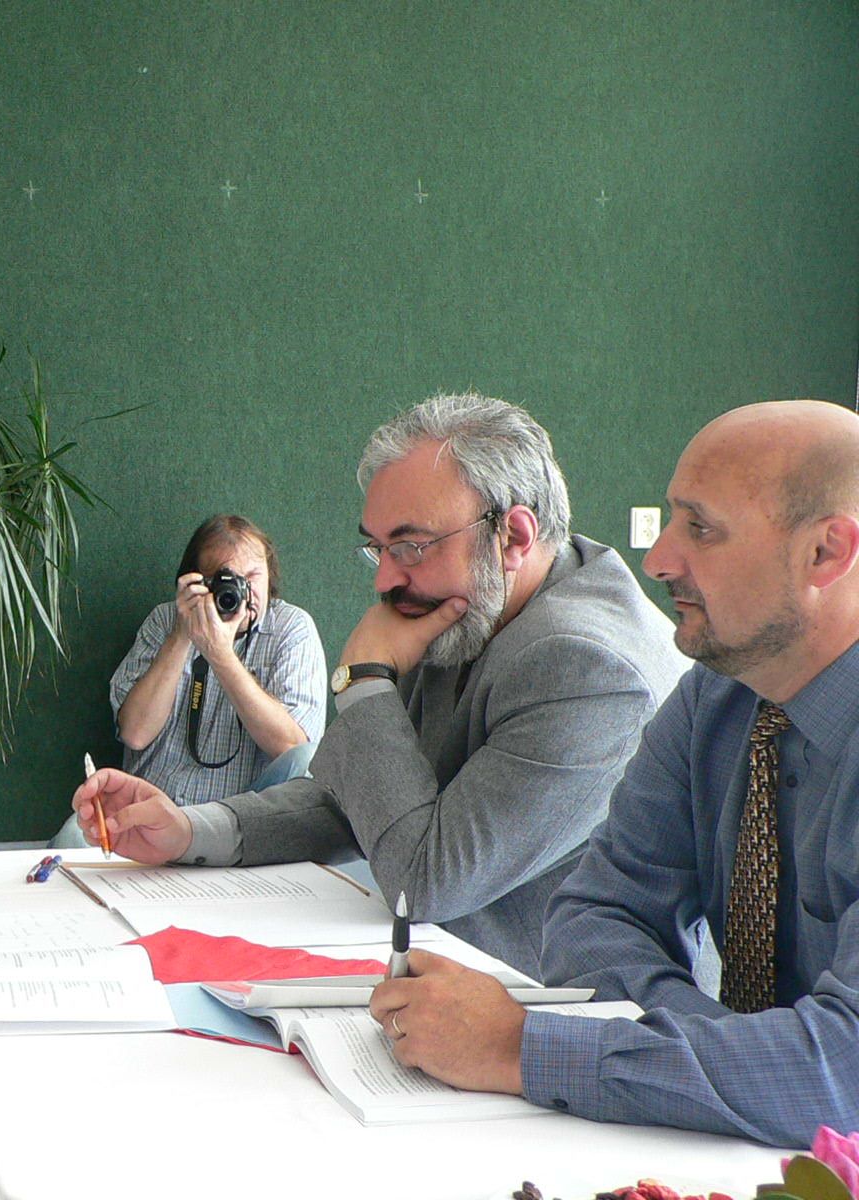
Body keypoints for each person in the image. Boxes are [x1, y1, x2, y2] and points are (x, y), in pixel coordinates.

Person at [368, 399, 859, 1148]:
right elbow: (592, 914)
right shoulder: (716, 696)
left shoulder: (617, 664)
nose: (659, 558)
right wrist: (726, 1058)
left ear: (826, 553)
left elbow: (843, 1075)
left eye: (701, 528)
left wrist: (522, 1049)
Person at [73, 393, 689, 976]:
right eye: (379, 549)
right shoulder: (473, 604)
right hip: (442, 977)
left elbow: (423, 882)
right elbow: (353, 800)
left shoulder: (589, 666)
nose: (385, 581)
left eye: (410, 546)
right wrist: (187, 830)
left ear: (514, 538)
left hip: (563, 1015)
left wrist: (364, 679)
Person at [51, 514, 328, 846]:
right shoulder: (164, 621)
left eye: (253, 576)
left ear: (270, 576)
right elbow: (135, 733)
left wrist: (220, 654)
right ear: (194, 581)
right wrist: (182, 635)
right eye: (224, 579)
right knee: (72, 838)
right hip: (151, 811)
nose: (240, 591)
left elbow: (293, 748)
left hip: (237, 823)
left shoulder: (292, 629)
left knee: (307, 756)